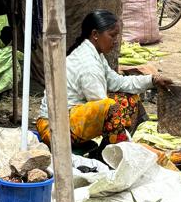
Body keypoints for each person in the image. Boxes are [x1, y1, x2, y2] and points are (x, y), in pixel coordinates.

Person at [35, 10, 172, 154]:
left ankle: (106, 150)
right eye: (112, 35)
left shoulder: (95, 54)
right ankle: (112, 154)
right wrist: (130, 143)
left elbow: (117, 82)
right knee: (111, 108)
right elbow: (103, 108)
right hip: (54, 128)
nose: (115, 40)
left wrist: (152, 80)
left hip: (70, 116)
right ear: (95, 35)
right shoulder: (88, 65)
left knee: (130, 99)